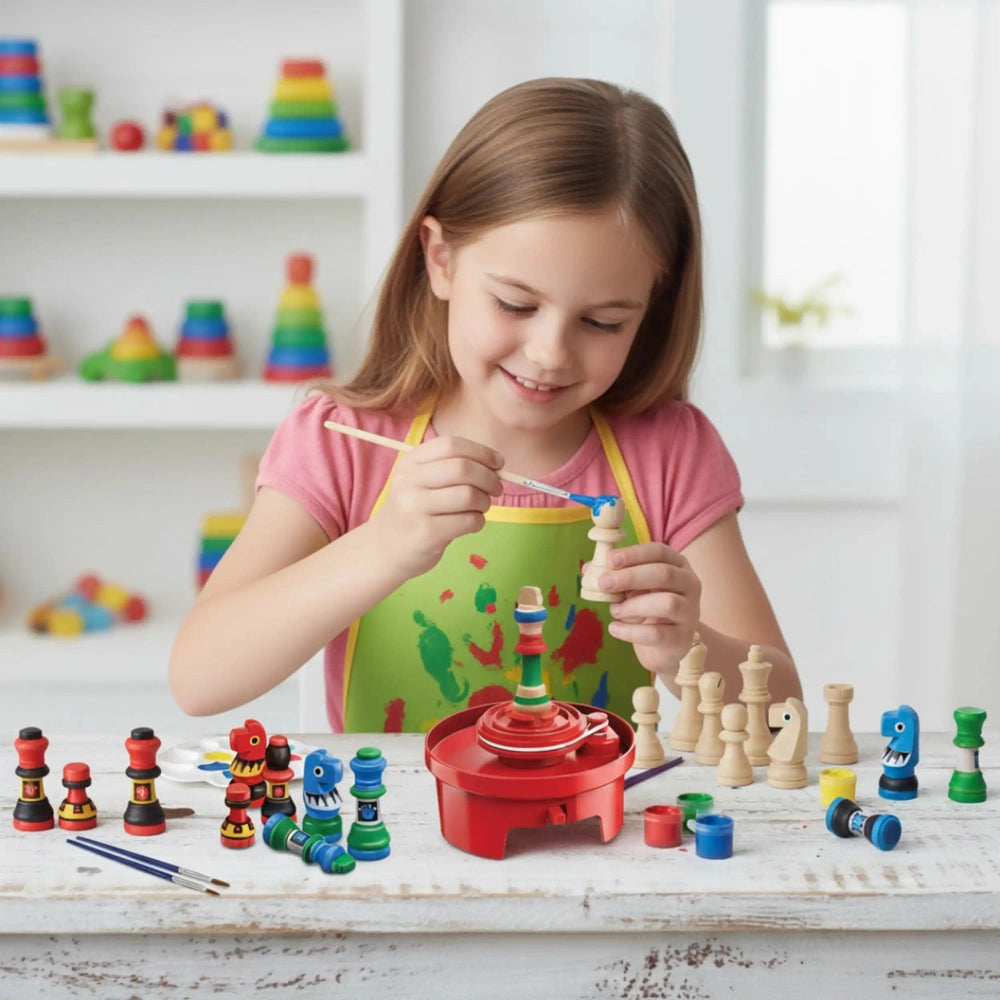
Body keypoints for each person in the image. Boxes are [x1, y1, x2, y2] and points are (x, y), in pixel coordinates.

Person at [169, 77, 801, 733]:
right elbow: (199, 678)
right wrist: (382, 546)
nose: (550, 351)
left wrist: (688, 648)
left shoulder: (668, 450)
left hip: (596, 827)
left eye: (604, 322)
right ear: (440, 260)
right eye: (516, 304)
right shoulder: (342, 437)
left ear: (652, 309)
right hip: (394, 830)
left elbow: (783, 715)